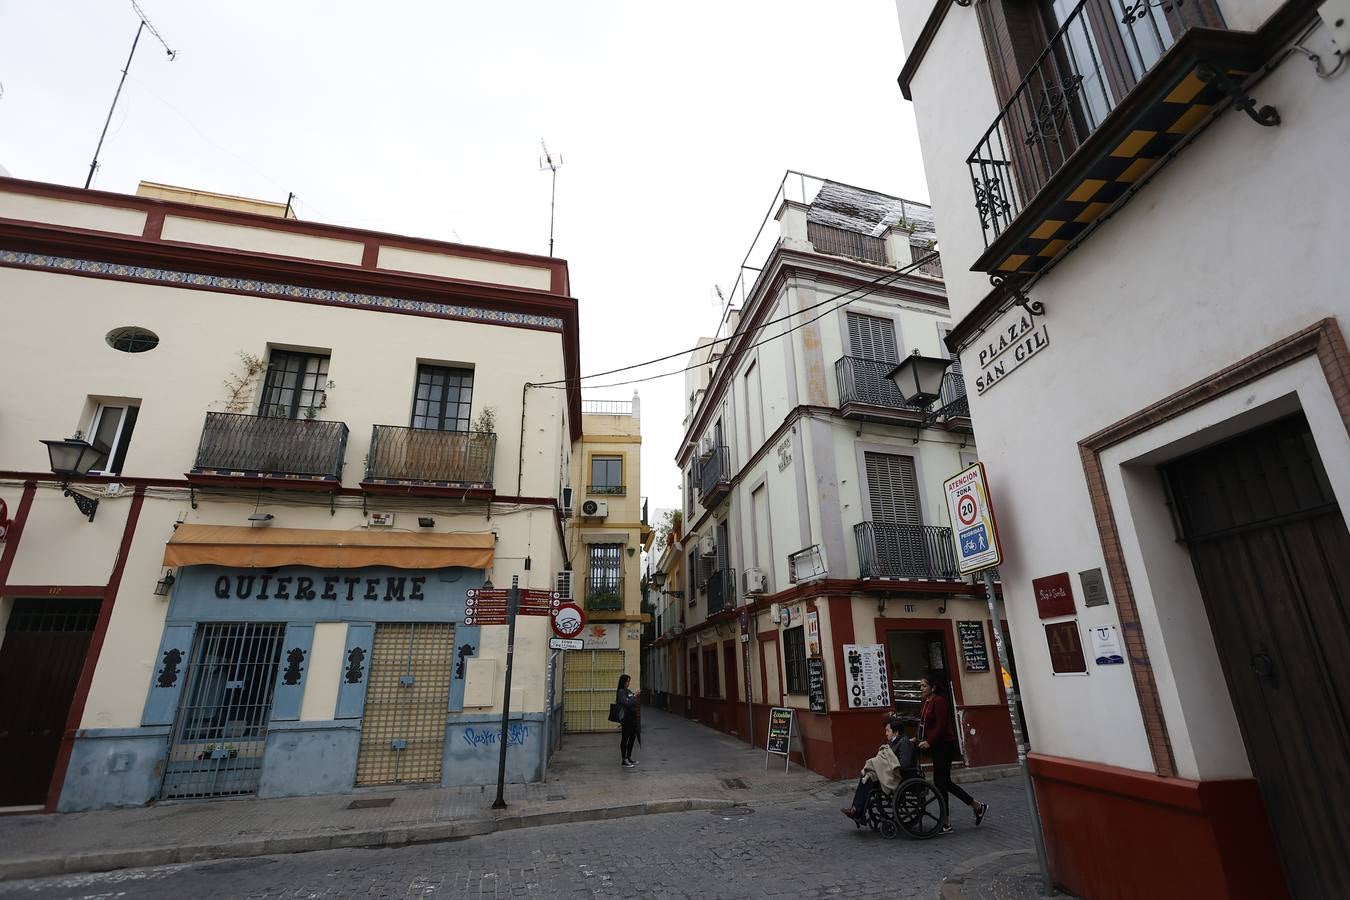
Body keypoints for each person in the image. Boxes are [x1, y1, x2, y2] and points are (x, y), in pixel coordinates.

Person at [918, 671, 988, 834]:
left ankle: (946, 821)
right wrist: (918, 738)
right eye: (920, 685)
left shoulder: (939, 701)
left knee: (942, 782)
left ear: (933, 687)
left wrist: (929, 741)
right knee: (943, 783)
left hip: (944, 746)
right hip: (936, 747)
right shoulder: (926, 702)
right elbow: (923, 724)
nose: (921, 688)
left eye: (924, 685)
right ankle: (976, 806)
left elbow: (941, 726)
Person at [841, 714, 907, 821]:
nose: (886, 734)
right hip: (889, 773)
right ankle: (856, 809)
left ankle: (857, 810)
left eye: (888, 731)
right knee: (866, 775)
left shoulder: (904, 743)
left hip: (898, 777)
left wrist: (885, 764)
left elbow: (904, 764)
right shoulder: (894, 742)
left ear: (895, 732)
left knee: (868, 779)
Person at [615, 674, 640, 768]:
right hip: (626, 718)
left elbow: (632, 700)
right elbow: (627, 703)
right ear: (623, 682)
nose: (628, 683)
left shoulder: (628, 691)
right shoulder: (621, 692)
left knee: (632, 737)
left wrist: (633, 696)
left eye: (629, 681)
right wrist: (634, 697)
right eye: (627, 681)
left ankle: (629, 757)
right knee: (625, 738)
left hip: (632, 717)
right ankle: (624, 759)